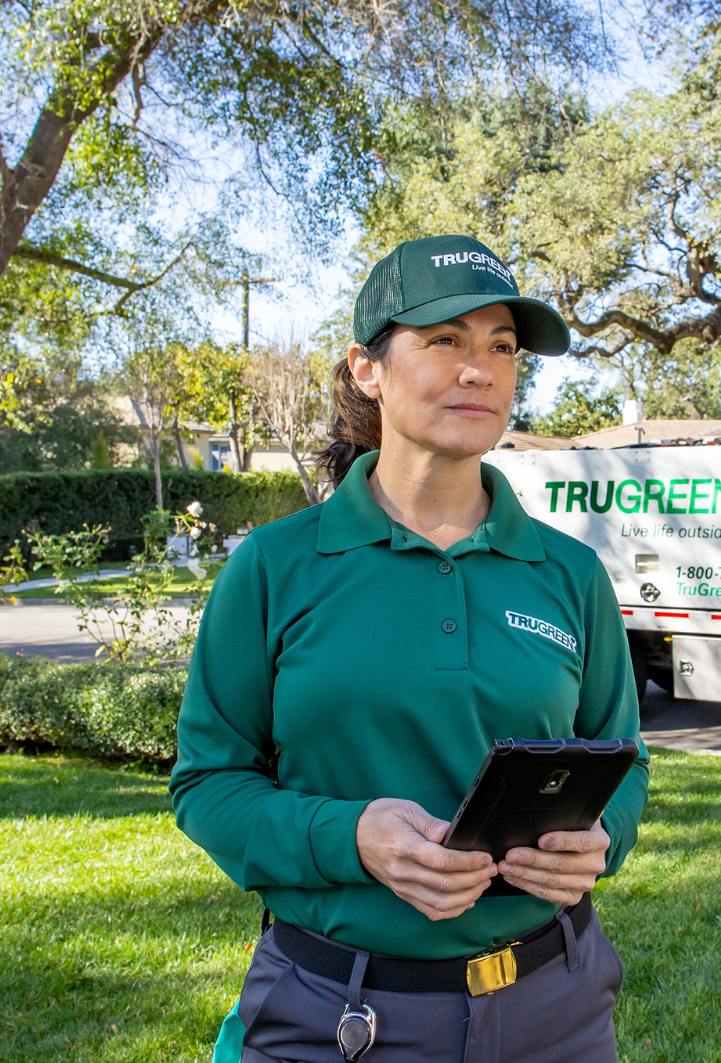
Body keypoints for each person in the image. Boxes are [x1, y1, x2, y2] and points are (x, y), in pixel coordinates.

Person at [170, 234, 649, 1063]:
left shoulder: (569, 573)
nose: (481, 369)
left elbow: (626, 759)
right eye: (445, 340)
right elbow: (209, 786)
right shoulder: (275, 566)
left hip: (556, 1010)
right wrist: (350, 835)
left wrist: (601, 834)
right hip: (336, 1013)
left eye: (502, 346)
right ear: (367, 369)